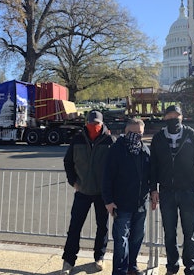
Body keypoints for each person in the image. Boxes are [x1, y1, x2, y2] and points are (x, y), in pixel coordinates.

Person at [150, 105, 194, 275]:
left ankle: (191, 268)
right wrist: (153, 188)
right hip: (166, 192)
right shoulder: (158, 138)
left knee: (190, 234)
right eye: (169, 116)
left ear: (182, 117)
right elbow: (153, 166)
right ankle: (171, 266)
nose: (173, 119)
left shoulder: (192, 135)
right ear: (165, 118)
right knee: (169, 233)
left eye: (176, 116)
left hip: (188, 191)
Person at [61, 110, 116, 275]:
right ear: (86, 123)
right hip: (83, 191)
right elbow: (68, 161)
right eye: (91, 123)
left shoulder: (110, 140)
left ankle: (99, 257)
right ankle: (68, 260)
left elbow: (116, 166)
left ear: (102, 123)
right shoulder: (77, 139)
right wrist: (73, 181)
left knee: (102, 227)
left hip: (102, 193)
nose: (94, 126)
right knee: (75, 227)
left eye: (97, 124)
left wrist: (112, 189)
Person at [102, 118, 151, 275]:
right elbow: (106, 176)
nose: (136, 136)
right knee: (121, 241)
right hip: (121, 203)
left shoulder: (145, 150)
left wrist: (154, 191)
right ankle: (120, 271)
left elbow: (151, 174)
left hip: (140, 203)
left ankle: (132, 266)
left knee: (137, 238)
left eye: (139, 133)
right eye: (133, 132)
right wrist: (108, 201)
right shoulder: (116, 150)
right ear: (125, 132)